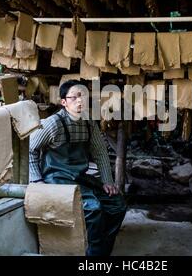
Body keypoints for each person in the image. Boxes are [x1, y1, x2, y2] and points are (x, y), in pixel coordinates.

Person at [29, 80, 127, 256]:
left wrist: (107, 181)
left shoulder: (89, 123)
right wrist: (37, 180)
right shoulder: (53, 123)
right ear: (64, 102)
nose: (80, 101)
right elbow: (31, 149)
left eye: (83, 96)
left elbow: (100, 152)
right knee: (93, 207)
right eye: (74, 98)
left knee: (117, 204)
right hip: (56, 179)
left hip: (79, 178)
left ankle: (101, 251)